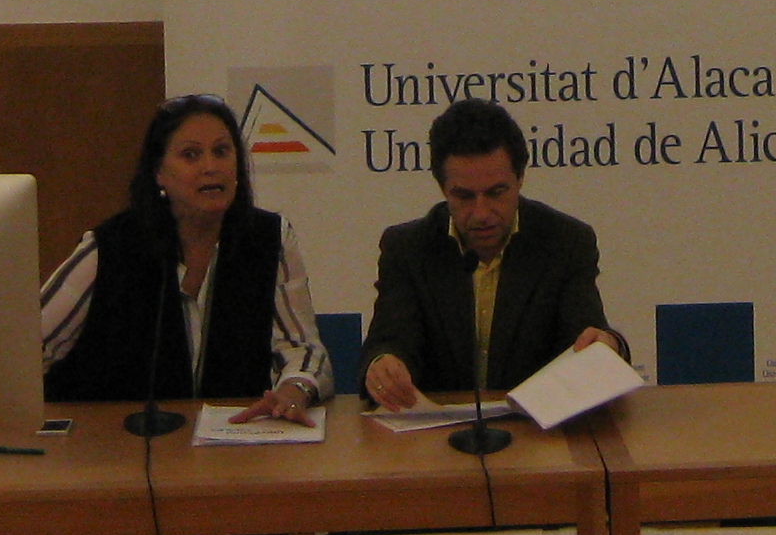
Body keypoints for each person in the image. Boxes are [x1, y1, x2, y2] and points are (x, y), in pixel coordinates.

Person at [40, 94, 328, 421]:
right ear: (159, 173)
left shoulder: (269, 239)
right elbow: (27, 351)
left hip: (232, 441)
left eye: (221, 151)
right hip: (116, 442)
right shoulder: (108, 248)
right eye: (190, 155)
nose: (211, 167)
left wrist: (294, 388)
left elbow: (302, 348)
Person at [360, 100, 624, 409]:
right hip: (438, 431)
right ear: (442, 188)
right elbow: (391, 340)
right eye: (464, 196)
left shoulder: (565, 242)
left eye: (496, 193)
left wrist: (608, 347)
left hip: (535, 428)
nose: (482, 213)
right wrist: (384, 366)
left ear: (520, 179)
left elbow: (585, 338)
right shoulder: (408, 248)